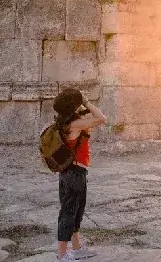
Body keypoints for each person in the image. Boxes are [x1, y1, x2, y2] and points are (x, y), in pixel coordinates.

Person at [53, 88, 107, 261]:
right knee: (68, 212)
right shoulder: (74, 124)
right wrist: (86, 101)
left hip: (74, 172)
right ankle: (62, 254)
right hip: (74, 174)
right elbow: (101, 118)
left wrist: (81, 106)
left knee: (77, 210)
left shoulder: (66, 121)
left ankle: (76, 248)